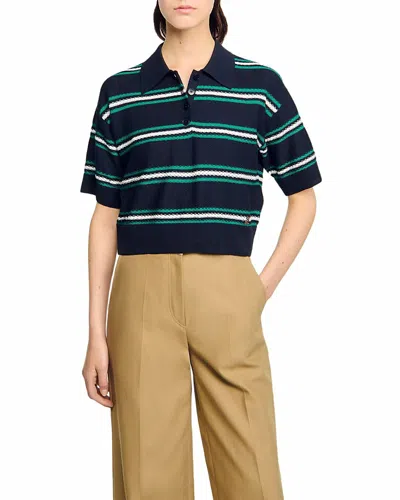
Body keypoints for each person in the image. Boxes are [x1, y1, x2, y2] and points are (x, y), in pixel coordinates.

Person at [80, 1, 322, 499]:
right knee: (148, 475)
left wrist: (258, 289)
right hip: (140, 296)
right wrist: (95, 334)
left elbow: (303, 196)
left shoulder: (260, 86)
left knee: (252, 474)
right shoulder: (119, 93)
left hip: (229, 289)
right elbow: (105, 215)